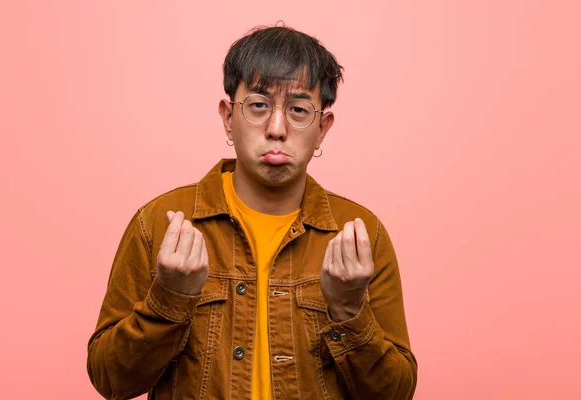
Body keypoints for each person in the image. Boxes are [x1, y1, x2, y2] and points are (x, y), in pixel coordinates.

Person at [87, 24, 417, 400]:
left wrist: (348, 308)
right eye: (259, 106)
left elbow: (396, 393)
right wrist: (170, 298)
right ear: (228, 117)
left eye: (297, 109)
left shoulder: (360, 235)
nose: (276, 129)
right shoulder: (160, 223)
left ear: (323, 128)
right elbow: (110, 380)